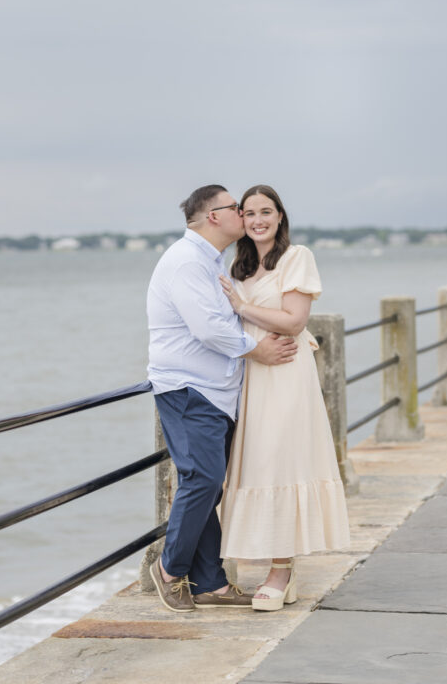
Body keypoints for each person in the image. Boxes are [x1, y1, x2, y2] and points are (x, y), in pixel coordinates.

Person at [146, 184, 298, 612]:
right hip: (189, 387)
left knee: (209, 485)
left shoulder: (212, 262)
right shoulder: (185, 261)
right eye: (236, 208)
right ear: (214, 216)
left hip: (217, 391)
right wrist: (257, 350)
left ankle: (210, 582)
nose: (244, 215)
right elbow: (208, 327)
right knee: (204, 479)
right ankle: (170, 570)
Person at [219, 184, 350, 612]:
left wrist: (241, 306)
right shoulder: (237, 266)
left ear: (280, 217)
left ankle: (282, 569)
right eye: (250, 213)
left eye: (266, 212)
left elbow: (294, 322)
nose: (258, 220)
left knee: (281, 458)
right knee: (255, 461)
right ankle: (263, 561)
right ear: (240, 218)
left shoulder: (297, 257)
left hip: (286, 372)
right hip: (252, 371)